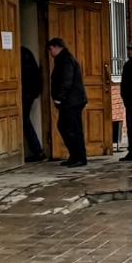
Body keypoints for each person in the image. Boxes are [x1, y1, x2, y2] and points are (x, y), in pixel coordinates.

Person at [47, 38, 88, 167]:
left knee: (72, 129)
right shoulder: (62, 59)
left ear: (57, 47)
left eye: (50, 49)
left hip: (72, 101)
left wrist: (59, 97)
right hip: (70, 101)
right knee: (65, 127)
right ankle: (74, 155)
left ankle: (79, 157)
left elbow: (66, 80)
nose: (49, 52)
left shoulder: (65, 60)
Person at [21, 47, 45, 162]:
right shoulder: (25, 52)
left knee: (24, 121)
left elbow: (27, 76)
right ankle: (37, 151)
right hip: (30, 92)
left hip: (26, 93)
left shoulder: (21, 53)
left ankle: (37, 151)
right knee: (24, 121)